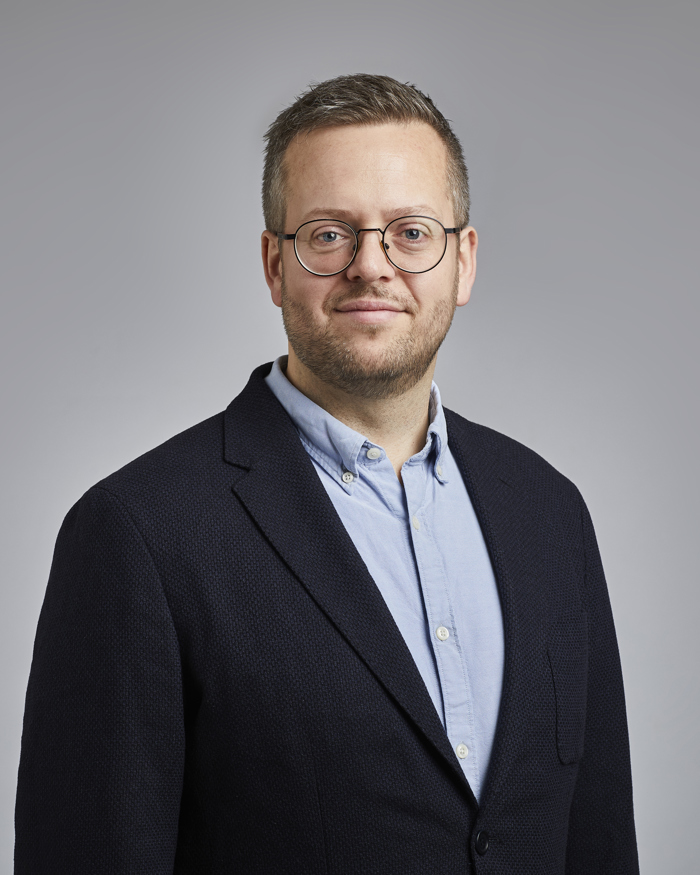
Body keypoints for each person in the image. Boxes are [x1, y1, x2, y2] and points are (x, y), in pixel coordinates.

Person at [15, 74, 639, 874]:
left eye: (411, 232)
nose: (371, 266)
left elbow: (599, 844)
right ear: (274, 264)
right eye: (330, 234)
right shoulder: (139, 534)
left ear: (463, 262)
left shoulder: (550, 512)